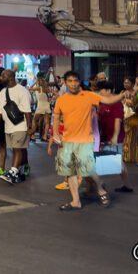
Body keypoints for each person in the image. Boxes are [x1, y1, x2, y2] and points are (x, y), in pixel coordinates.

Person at [50, 71, 125, 211]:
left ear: (80, 82)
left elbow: (108, 100)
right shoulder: (61, 99)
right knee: (70, 171)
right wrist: (55, 134)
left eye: (76, 81)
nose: (73, 84)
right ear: (65, 83)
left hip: (85, 139)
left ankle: (101, 188)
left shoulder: (89, 95)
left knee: (86, 169)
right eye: (70, 81)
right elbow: (56, 117)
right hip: (67, 140)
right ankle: (75, 201)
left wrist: (122, 94)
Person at [0, 69, 32, 183]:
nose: (0, 77)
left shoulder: (22, 91)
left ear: (10, 77)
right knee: (15, 149)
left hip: (20, 125)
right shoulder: (4, 92)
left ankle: (13, 172)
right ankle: (20, 170)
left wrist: (29, 127)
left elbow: (27, 111)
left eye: (3, 76)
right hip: (8, 126)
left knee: (17, 149)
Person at [97, 81, 133, 193]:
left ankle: (100, 185)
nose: (99, 93)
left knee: (117, 162)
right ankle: (127, 185)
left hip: (114, 138)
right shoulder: (102, 104)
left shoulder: (116, 104)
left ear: (108, 91)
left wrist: (115, 137)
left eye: (101, 90)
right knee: (115, 162)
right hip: (105, 137)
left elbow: (118, 121)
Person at [30, 73, 52, 142]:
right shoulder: (48, 88)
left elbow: (30, 88)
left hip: (41, 106)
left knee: (34, 120)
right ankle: (45, 136)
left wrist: (35, 83)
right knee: (47, 122)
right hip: (47, 106)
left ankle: (33, 136)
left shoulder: (39, 88)